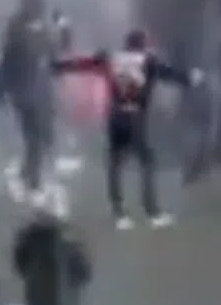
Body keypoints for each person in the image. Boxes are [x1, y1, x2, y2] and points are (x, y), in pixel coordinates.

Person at [55, 30, 196, 229]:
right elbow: (169, 74)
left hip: (115, 116)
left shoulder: (110, 59)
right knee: (147, 162)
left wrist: (58, 67)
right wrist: (190, 78)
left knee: (115, 164)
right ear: (142, 44)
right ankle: (152, 212)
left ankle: (119, 214)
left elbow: (84, 64)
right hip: (135, 117)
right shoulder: (148, 61)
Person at [0, 0, 60, 200]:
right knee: (34, 134)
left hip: (39, 87)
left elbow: (51, 51)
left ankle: (28, 172)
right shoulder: (18, 26)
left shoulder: (37, 25)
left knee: (38, 134)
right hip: (24, 87)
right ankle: (32, 177)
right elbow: (11, 56)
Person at [10, 193, 92, 305]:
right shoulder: (67, 239)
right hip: (63, 304)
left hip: (40, 300)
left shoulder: (28, 239)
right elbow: (83, 272)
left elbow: (19, 264)